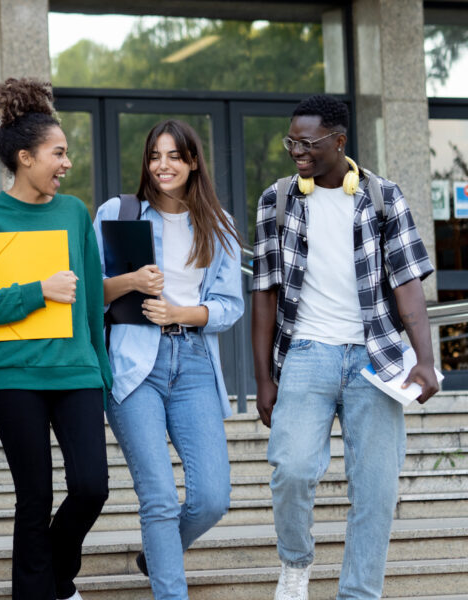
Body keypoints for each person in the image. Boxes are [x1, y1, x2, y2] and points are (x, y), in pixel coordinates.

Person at [251, 94, 440, 600]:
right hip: (307, 354)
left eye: (308, 143)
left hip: (374, 357)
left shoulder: (383, 196)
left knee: (375, 490)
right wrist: (263, 378)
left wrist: (425, 359)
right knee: (290, 469)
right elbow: (265, 294)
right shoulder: (278, 200)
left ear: (339, 141)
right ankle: (295, 563)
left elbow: (407, 284)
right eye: (291, 141)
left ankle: (358, 594)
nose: (297, 151)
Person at [0, 77, 112, 600]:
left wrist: (102, 376)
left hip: (77, 372)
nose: (66, 163)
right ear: (25, 157)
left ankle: (57, 579)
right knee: (34, 496)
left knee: (91, 486)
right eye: (57, 153)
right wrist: (36, 291)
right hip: (14, 377)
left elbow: (89, 302)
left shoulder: (73, 214)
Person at [93, 119, 243, 600]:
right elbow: (90, 291)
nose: (163, 165)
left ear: (192, 161)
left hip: (195, 361)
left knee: (211, 498)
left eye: (174, 156)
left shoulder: (218, 224)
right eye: (155, 156)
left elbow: (229, 305)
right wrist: (132, 282)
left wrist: (185, 312)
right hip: (137, 363)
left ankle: (158, 553)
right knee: (158, 497)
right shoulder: (120, 213)